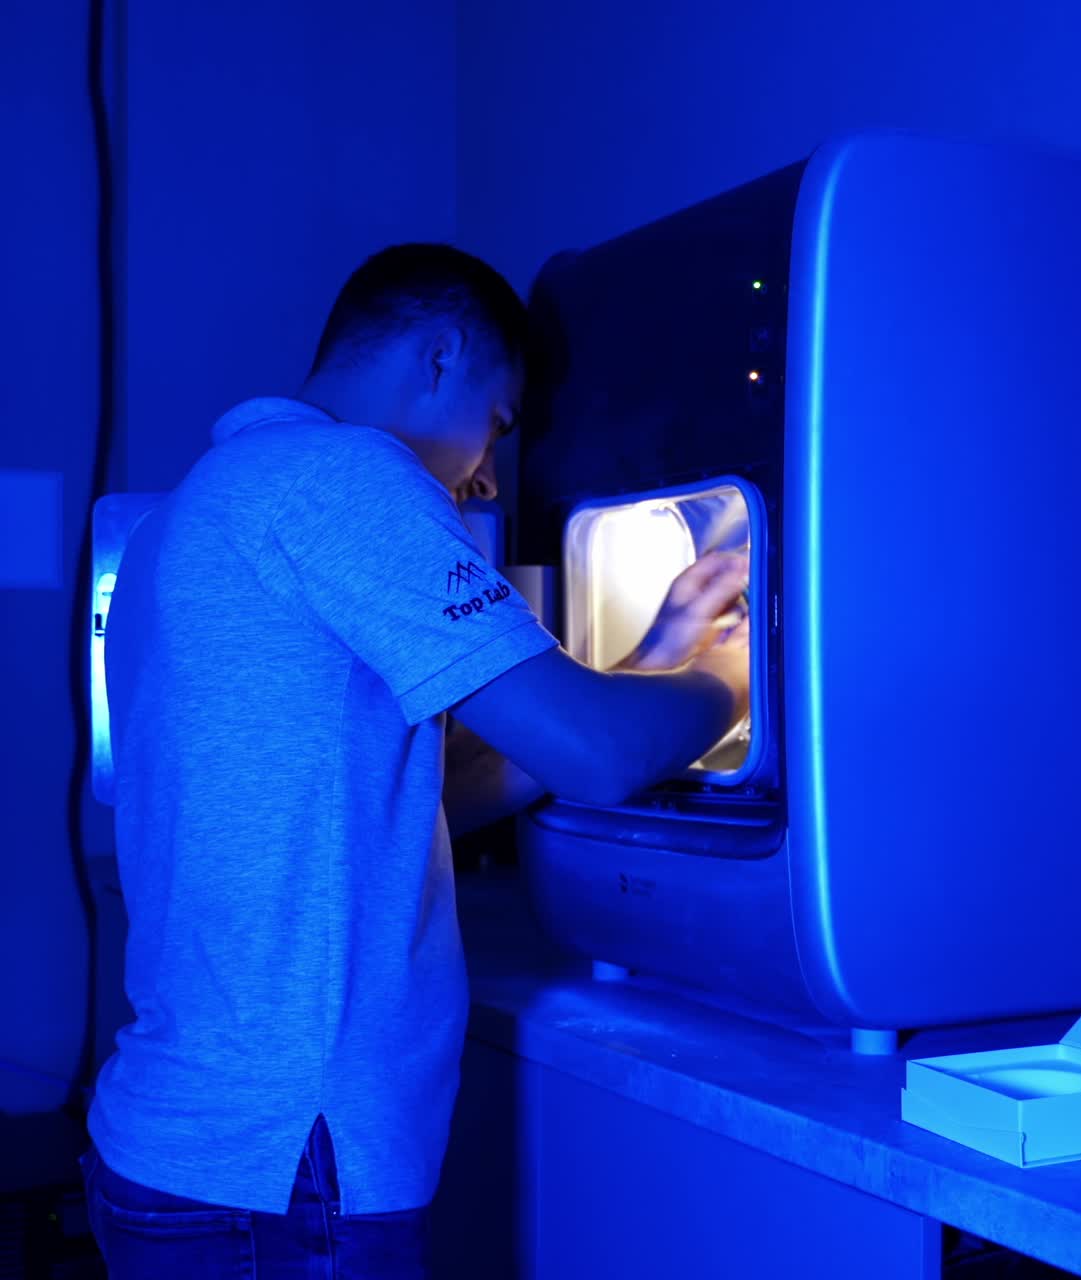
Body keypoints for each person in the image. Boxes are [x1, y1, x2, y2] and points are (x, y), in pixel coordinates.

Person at [80, 243, 750, 1278]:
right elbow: (601, 755)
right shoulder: (343, 478)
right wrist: (734, 679)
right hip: (286, 1165)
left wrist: (654, 657)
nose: (485, 469)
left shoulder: (189, 514)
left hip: (188, 1143)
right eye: (496, 420)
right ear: (440, 357)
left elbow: (413, 796)